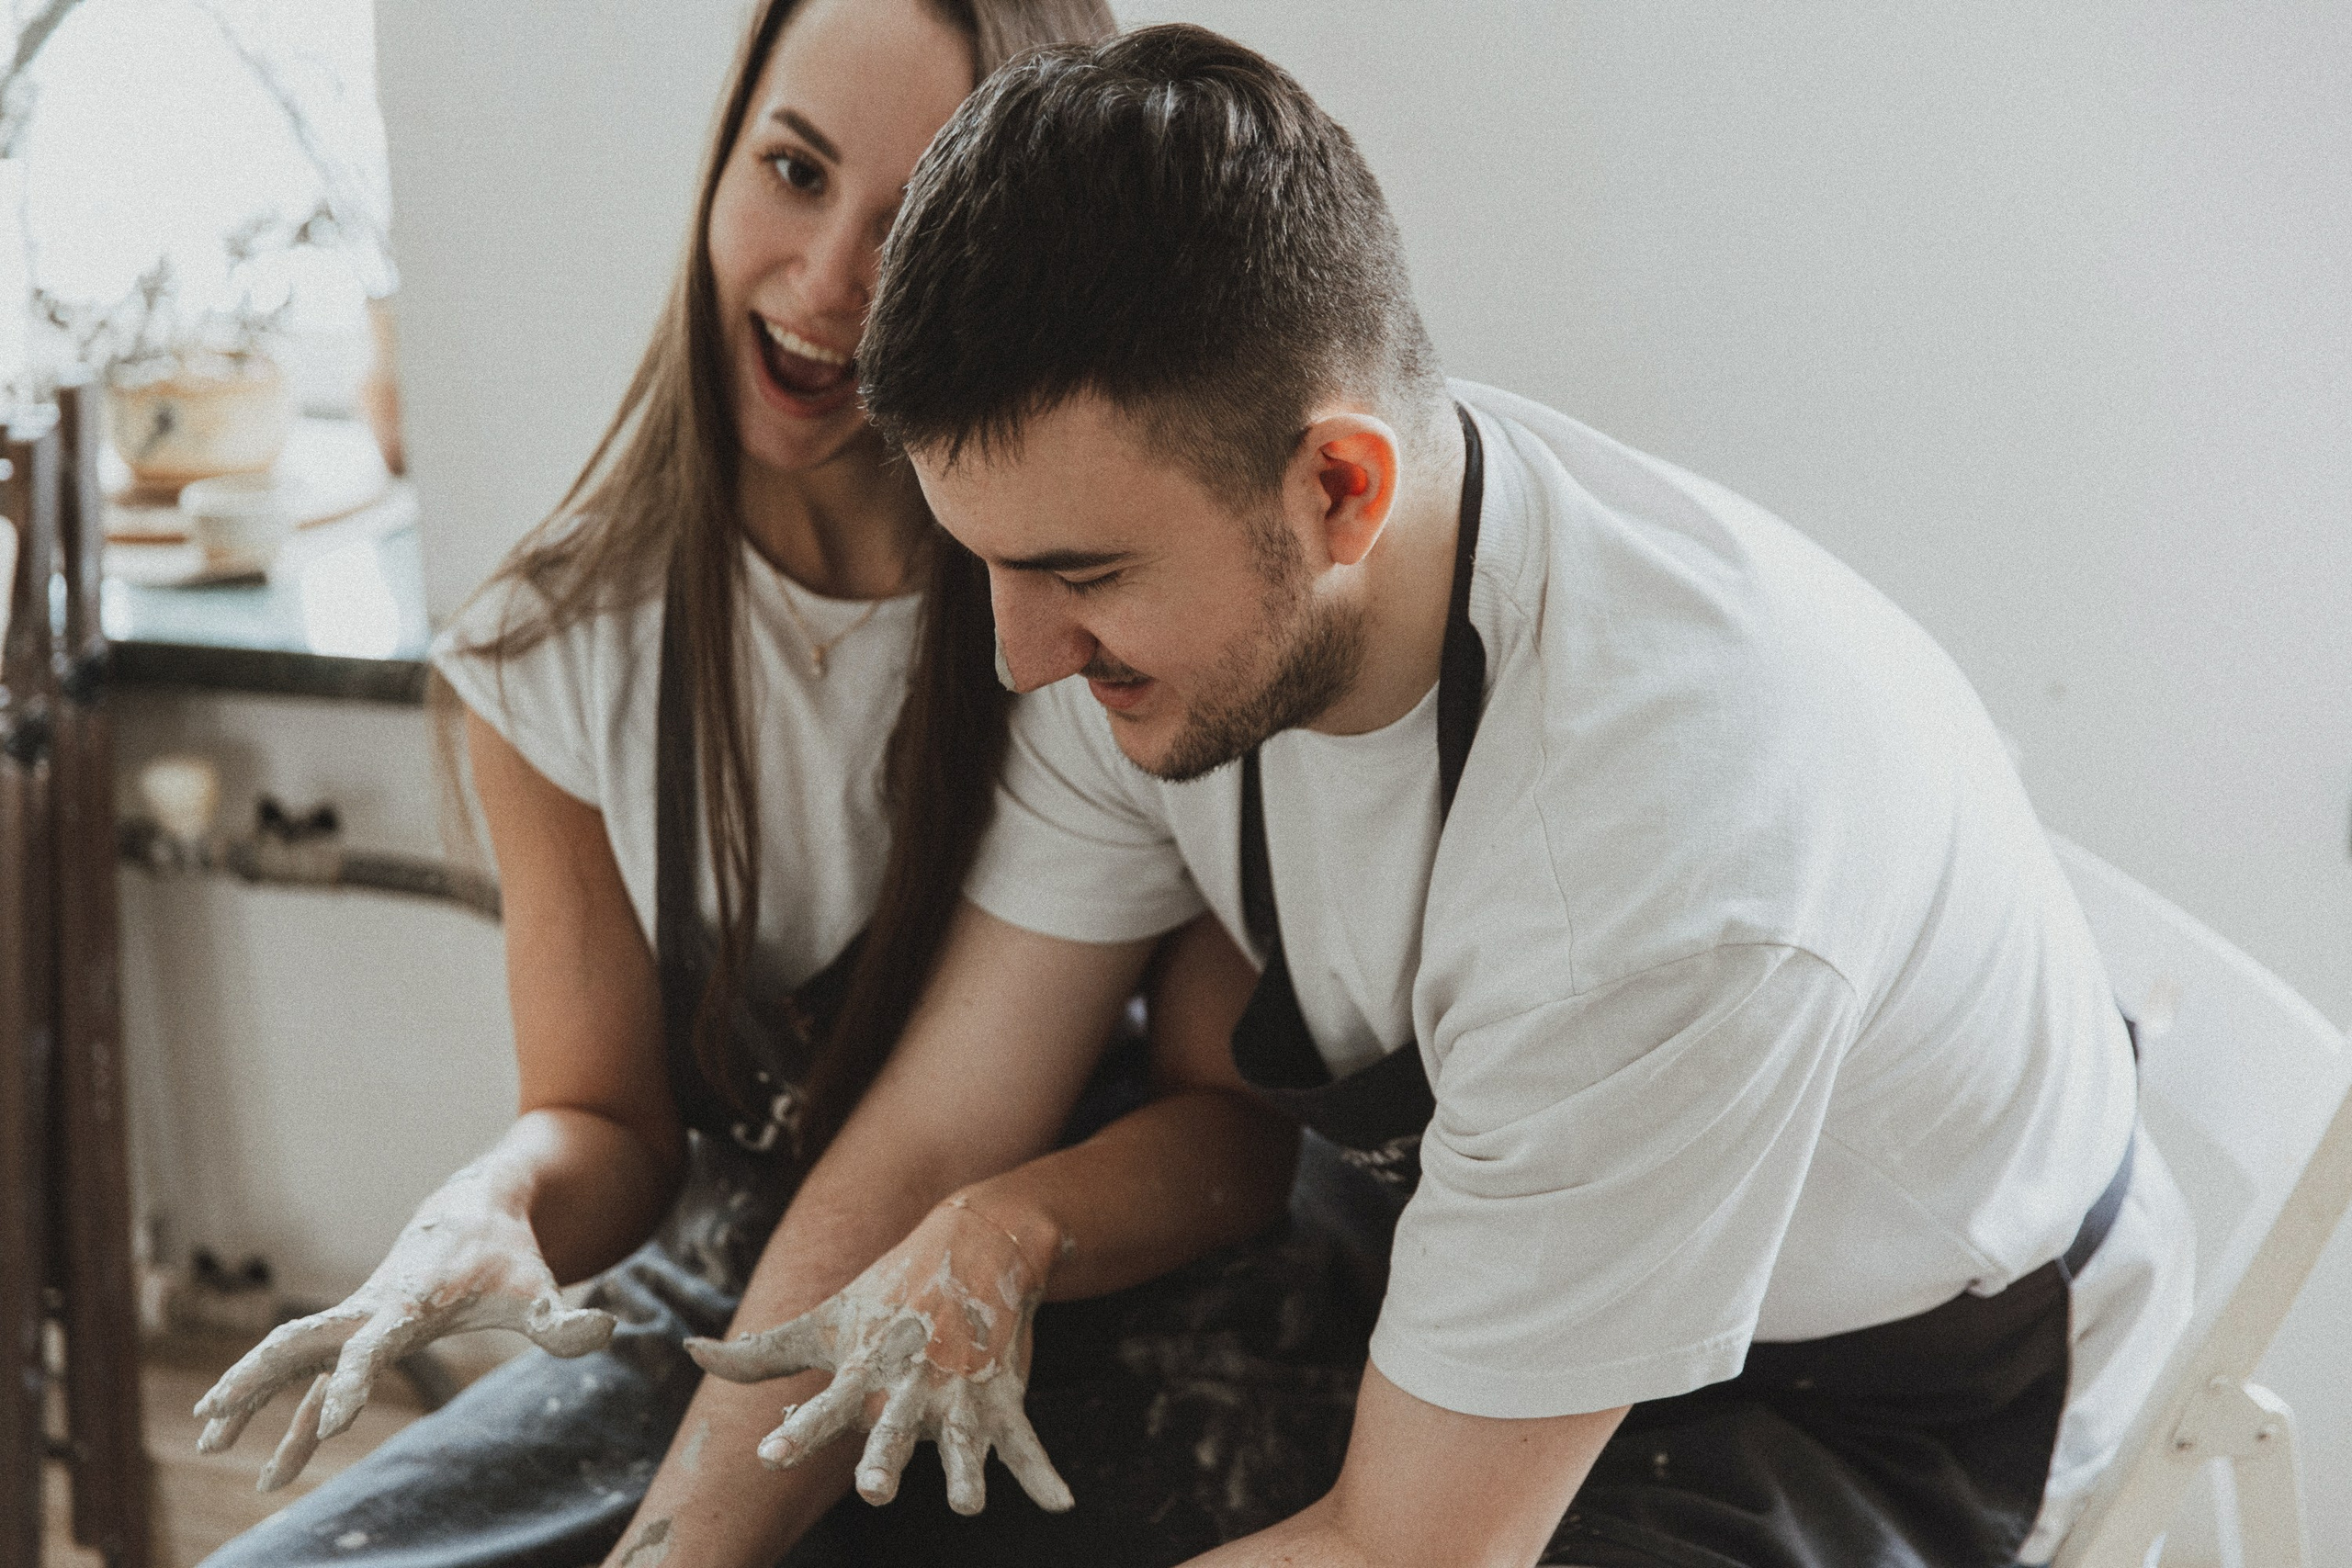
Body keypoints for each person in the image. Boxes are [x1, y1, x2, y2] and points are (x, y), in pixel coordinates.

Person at [694, 24, 2199, 1568]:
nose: (1020, 658)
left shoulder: (1655, 866)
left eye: (1078, 577)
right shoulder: (1162, 575)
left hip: (1859, 1399)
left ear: (1340, 488)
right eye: (989, 564)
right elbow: (942, 1132)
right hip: (1485, 1238)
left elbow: (1400, 1551)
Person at [187, 6, 1344, 1565]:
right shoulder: (550, 652)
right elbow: (608, 1121)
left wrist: (1001, 1240)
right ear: (722, 160)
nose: (826, 279)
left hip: (1113, 1320)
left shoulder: (1099, 626)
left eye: (914, 225)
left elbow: (1235, 1134)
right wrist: (499, 1202)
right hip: (735, 1302)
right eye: (794, 172)